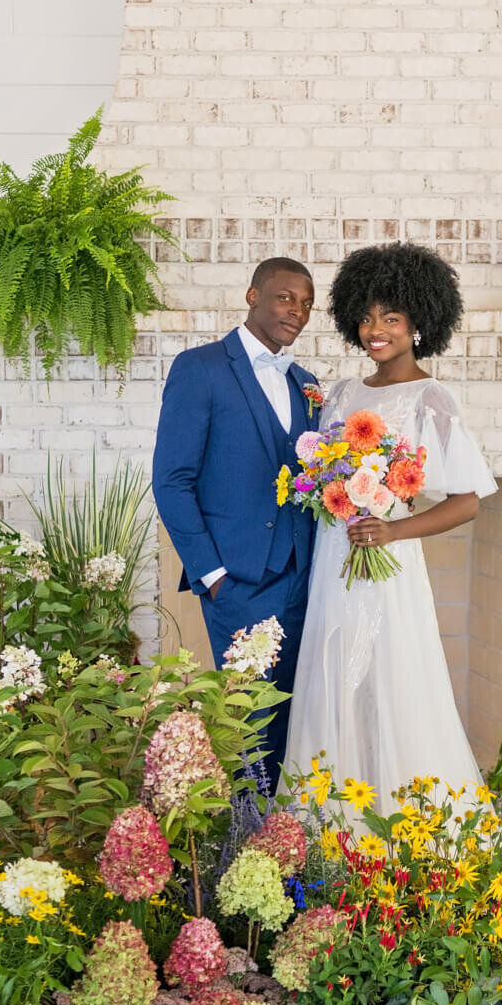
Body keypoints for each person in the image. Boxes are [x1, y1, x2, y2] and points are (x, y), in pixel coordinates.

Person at [286, 242, 497, 808]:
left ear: (420, 322)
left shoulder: (433, 398)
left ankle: (404, 821)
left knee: (391, 677)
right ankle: (329, 824)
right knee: (334, 675)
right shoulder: (340, 395)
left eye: (392, 317)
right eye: (367, 316)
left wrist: (392, 531)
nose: (376, 329)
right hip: (335, 560)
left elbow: (469, 500)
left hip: (388, 563)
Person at [153, 257, 319, 785]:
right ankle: (244, 841)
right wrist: (212, 575)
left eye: (308, 303)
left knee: (293, 719)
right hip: (238, 582)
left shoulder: (307, 383)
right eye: (286, 297)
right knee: (246, 721)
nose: (298, 310)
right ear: (253, 296)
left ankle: (285, 844)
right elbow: (172, 481)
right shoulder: (199, 368)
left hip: (302, 579)